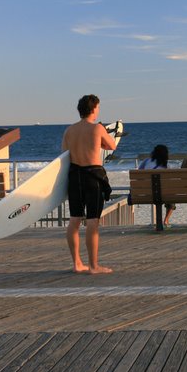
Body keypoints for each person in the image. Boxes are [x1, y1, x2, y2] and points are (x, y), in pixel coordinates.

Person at [62, 94, 117, 274]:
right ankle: (94, 266)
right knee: (93, 221)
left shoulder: (69, 131)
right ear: (93, 109)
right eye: (98, 107)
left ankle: (77, 263)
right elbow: (111, 146)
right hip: (93, 177)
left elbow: (64, 155)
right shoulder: (98, 128)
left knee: (75, 219)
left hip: (75, 176)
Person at [138, 144, 175, 228]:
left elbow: (139, 175)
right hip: (163, 194)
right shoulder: (166, 166)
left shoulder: (146, 161)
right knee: (170, 196)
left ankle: (162, 221)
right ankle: (166, 220)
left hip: (146, 193)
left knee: (160, 193)